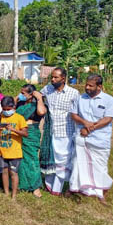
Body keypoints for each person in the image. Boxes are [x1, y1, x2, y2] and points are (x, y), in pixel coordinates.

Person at [69, 74, 113, 204]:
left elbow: (108, 119)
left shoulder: (108, 100)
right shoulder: (80, 98)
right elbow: (73, 114)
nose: (87, 87)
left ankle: (101, 193)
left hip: (100, 140)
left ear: (99, 86)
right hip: (81, 138)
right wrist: (84, 123)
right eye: (86, 84)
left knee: (100, 167)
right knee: (78, 164)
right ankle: (77, 189)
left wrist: (90, 128)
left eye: (90, 85)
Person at [40, 67, 80, 196]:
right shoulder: (47, 89)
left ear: (63, 78)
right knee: (50, 157)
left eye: (56, 77)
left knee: (62, 160)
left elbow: (78, 112)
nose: (52, 79)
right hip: (50, 132)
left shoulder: (73, 93)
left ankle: (58, 187)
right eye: (52, 77)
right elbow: (37, 96)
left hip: (65, 132)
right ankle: (49, 184)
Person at [16, 84, 46, 198]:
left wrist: (39, 98)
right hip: (18, 133)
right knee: (20, 160)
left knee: (32, 159)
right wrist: (17, 97)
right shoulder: (20, 104)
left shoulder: (37, 105)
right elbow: (10, 108)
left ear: (31, 94)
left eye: (23, 93)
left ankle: (35, 187)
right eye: (21, 92)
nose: (21, 95)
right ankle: (21, 184)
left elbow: (42, 112)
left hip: (31, 134)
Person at [0, 96, 28, 200]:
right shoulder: (0, 117)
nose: (6, 112)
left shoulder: (19, 118)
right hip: (1, 150)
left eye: (8, 109)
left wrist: (13, 129)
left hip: (15, 151)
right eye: (4, 109)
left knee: (13, 173)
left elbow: (25, 133)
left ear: (13, 107)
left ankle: (14, 195)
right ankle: (6, 193)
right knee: (4, 172)